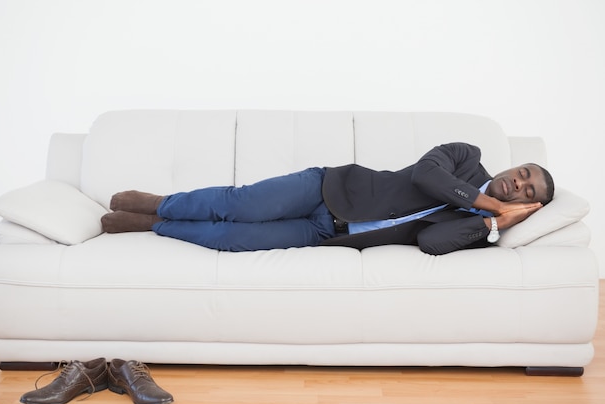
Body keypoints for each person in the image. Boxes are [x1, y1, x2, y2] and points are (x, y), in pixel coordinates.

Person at [101, 142, 554, 255]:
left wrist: (498, 224)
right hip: (327, 188)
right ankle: (160, 203)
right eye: (524, 174)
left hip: (327, 233)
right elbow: (425, 173)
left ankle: (153, 225)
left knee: (233, 241)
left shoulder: (478, 229)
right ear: (516, 167)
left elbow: (431, 244)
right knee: (237, 204)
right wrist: (489, 204)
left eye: (528, 192)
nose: (519, 184)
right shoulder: (465, 157)